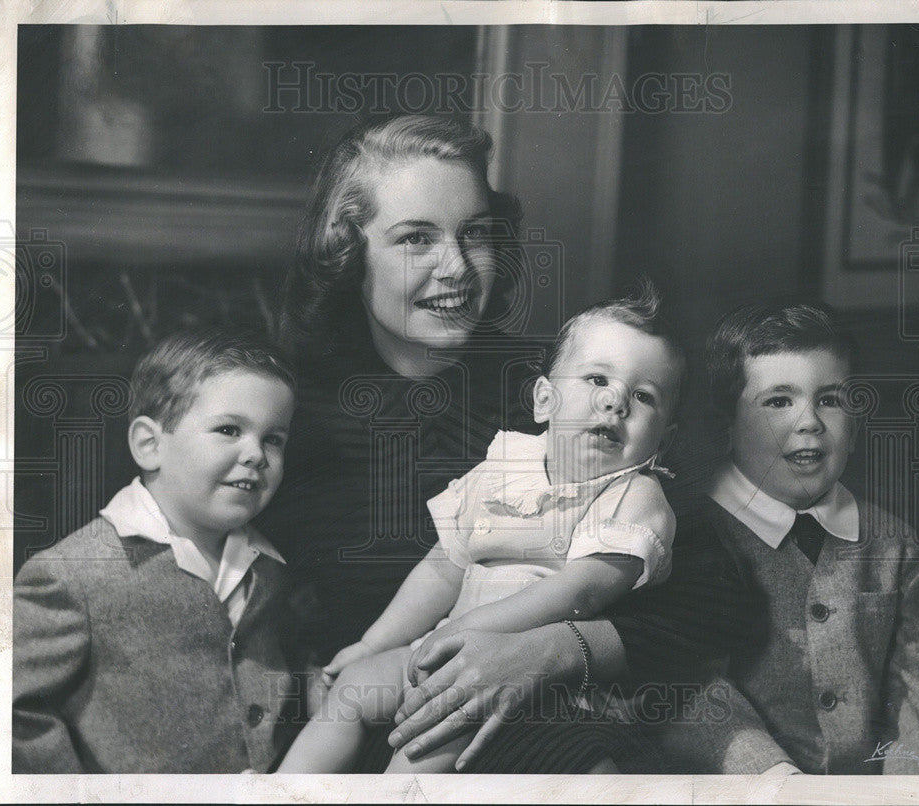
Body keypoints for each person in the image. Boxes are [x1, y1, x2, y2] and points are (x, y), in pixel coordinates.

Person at [262, 114, 759, 773]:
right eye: (416, 238)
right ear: (350, 250)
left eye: (476, 234)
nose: (458, 268)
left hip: (562, 716)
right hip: (384, 723)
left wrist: (552, 652)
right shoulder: (285, 413)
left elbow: (720, 593)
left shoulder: (568, 388)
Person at [278, 285, 685, 772]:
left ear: (666, 437)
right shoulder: (506, 465)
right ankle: (282, 790)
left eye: (644, 397)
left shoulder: (634, 496)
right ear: (544, 400)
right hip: (449, 648)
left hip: (532, 681)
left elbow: (583, 592)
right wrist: (376, 642)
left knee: (424, 741)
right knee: (353, 689)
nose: (615, 402)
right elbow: (444, 566)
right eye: (597, 379)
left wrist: (474, 630)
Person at [656, 301, 919, 774]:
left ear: (854, 427)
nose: (810, 421)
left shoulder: (890, 542)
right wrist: (773, 777)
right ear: (727, 428)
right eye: (779, 401)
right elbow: (686, 686)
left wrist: (910, 787)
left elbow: (918, 698)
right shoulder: (687, 530)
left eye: (831, 400)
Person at [12, 329, 301, 773]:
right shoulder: (73, 573)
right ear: (150, 445)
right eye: (229, 429)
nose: (256, 454)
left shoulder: (269, 567)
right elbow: (10, 709)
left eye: (274, 439)